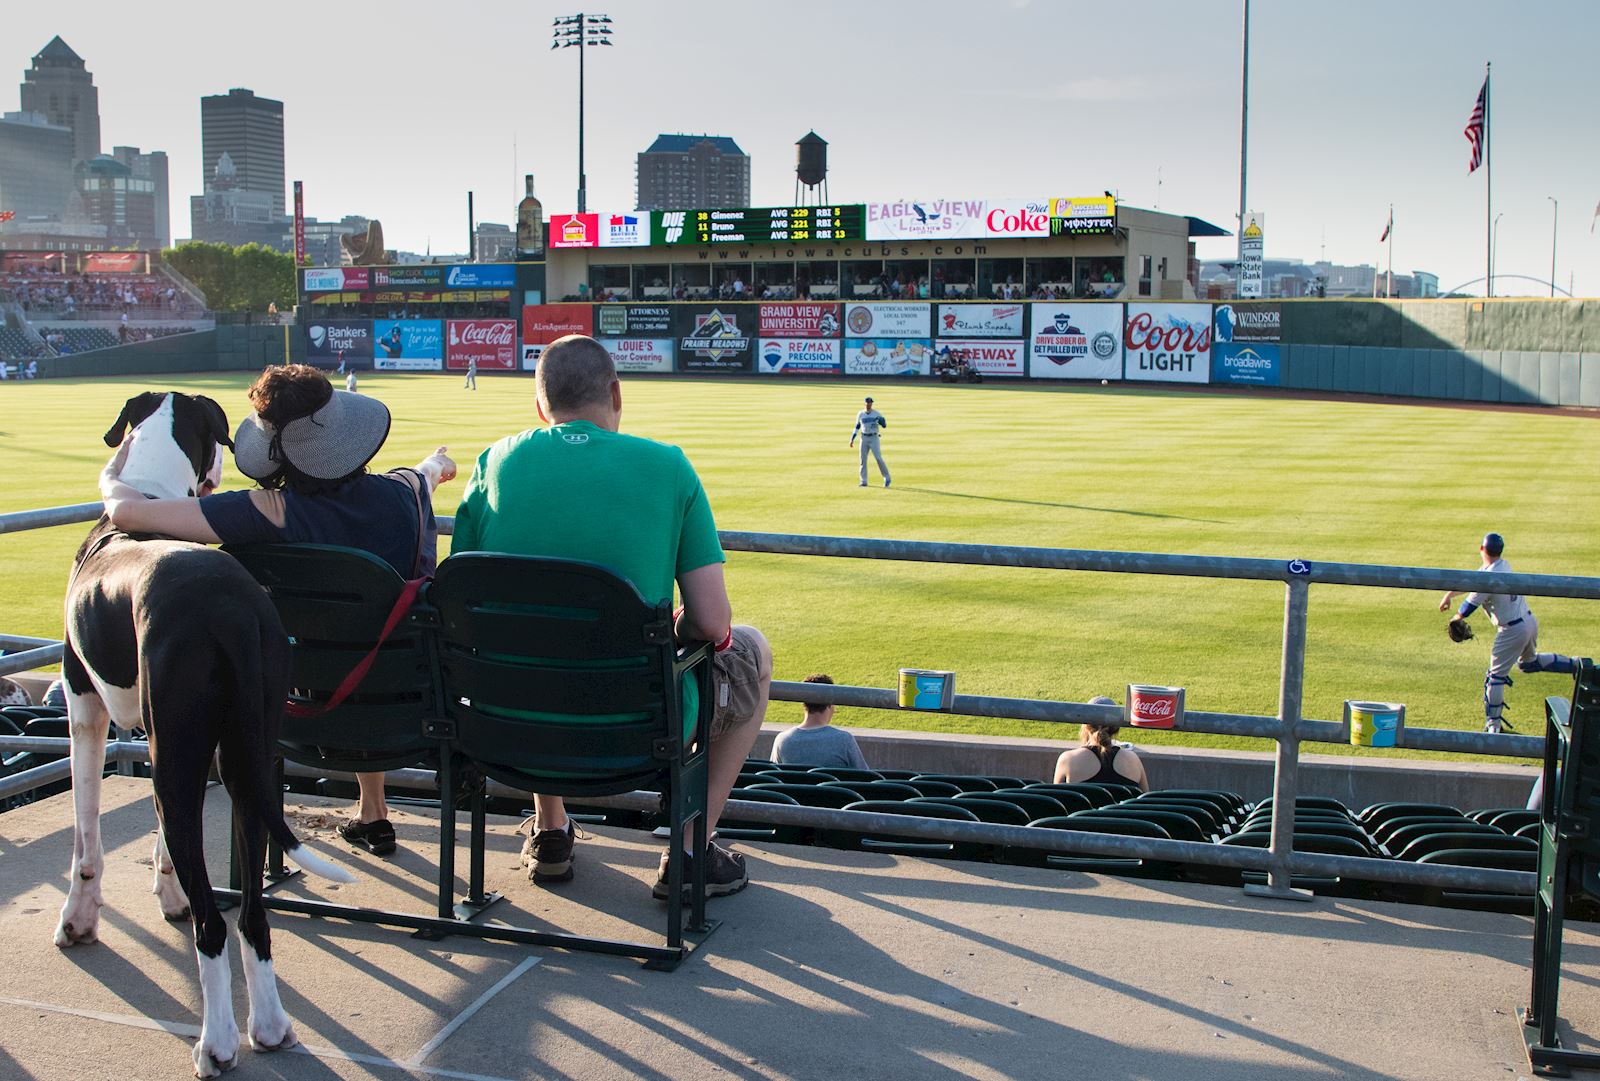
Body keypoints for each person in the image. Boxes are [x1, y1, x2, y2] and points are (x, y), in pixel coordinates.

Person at [452, 334, 771, 899]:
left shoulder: (494, 461)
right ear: (616, 394)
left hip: (506, 726)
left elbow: (461, 601)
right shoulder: (667, 467)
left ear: (540, 406)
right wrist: (664, 631)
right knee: (754, 651)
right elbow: (715, 626)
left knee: (535, 635)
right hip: (636, 732)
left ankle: (551, 831)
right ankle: (691, 850)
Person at [98, 363, 458, 857]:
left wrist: (110, 476)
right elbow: (423, 476)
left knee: (333, 643)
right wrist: (436, 465)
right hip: (407, 710)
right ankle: (372, 811)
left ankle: (371, 812)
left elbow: (127, 514)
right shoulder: (403, 495)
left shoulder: (257, 512)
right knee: (367, 639)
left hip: (293, 713)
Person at [1438, 532, 1576, 734]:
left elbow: (1469, 605)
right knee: (1529, 664)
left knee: (1495, 677)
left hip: (1512, 630)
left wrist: (1455, 618)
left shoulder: (1487, 578)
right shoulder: (1502, 565)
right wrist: (1450, 594)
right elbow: (1473, 581)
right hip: (1529, 621)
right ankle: (1576, 665)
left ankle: (1493, 726)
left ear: (1481, 549)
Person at [772, 674, 869, 769]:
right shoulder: (844, 740)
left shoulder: (782, 740)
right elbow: (865, 778)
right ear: (831, 702)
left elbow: (776, 776)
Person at [1054, 696, 1149, 790]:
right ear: (1116, 728)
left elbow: (1057, 801)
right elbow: (1144, 801)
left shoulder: (1068, 760)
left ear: (1086, 726)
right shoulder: (1133, 760)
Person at [850, 396, 890, 488]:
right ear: (864, 403)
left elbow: (884, 426)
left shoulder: (876, 413)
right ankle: (863, 481)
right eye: (867, 403)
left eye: (870, 403)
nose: (868, 404)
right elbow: (857, 426)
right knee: (862, 460)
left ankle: (887, 478)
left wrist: (882, 421)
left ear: (872, 404)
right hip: (863, 438)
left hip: (874, 437)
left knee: (878, 458)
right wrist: (852, 438)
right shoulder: (860, 414)